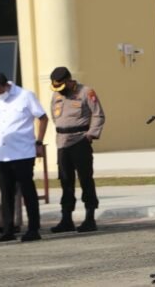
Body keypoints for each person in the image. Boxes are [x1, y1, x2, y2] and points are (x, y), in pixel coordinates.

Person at [0, 72, 48, 242]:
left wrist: (39, 142)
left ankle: (33, 229)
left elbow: (43, 118)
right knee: (6, 193)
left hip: (23, 152)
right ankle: (8, 230)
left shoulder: (25, 95)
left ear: (5, 85)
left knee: (28, 191)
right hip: (2, 153)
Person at [49, 67, 105, 233]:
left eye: (62, 86)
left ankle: (90, 217)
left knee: (85, 179)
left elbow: (98, 114)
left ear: (68, 80)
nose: (60, 90)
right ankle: (66, 218)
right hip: (62, 142)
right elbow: (55, 116)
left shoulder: (86, 92)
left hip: (80, 140)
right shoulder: (56, 95)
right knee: (65, 180)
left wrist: (90, 135)